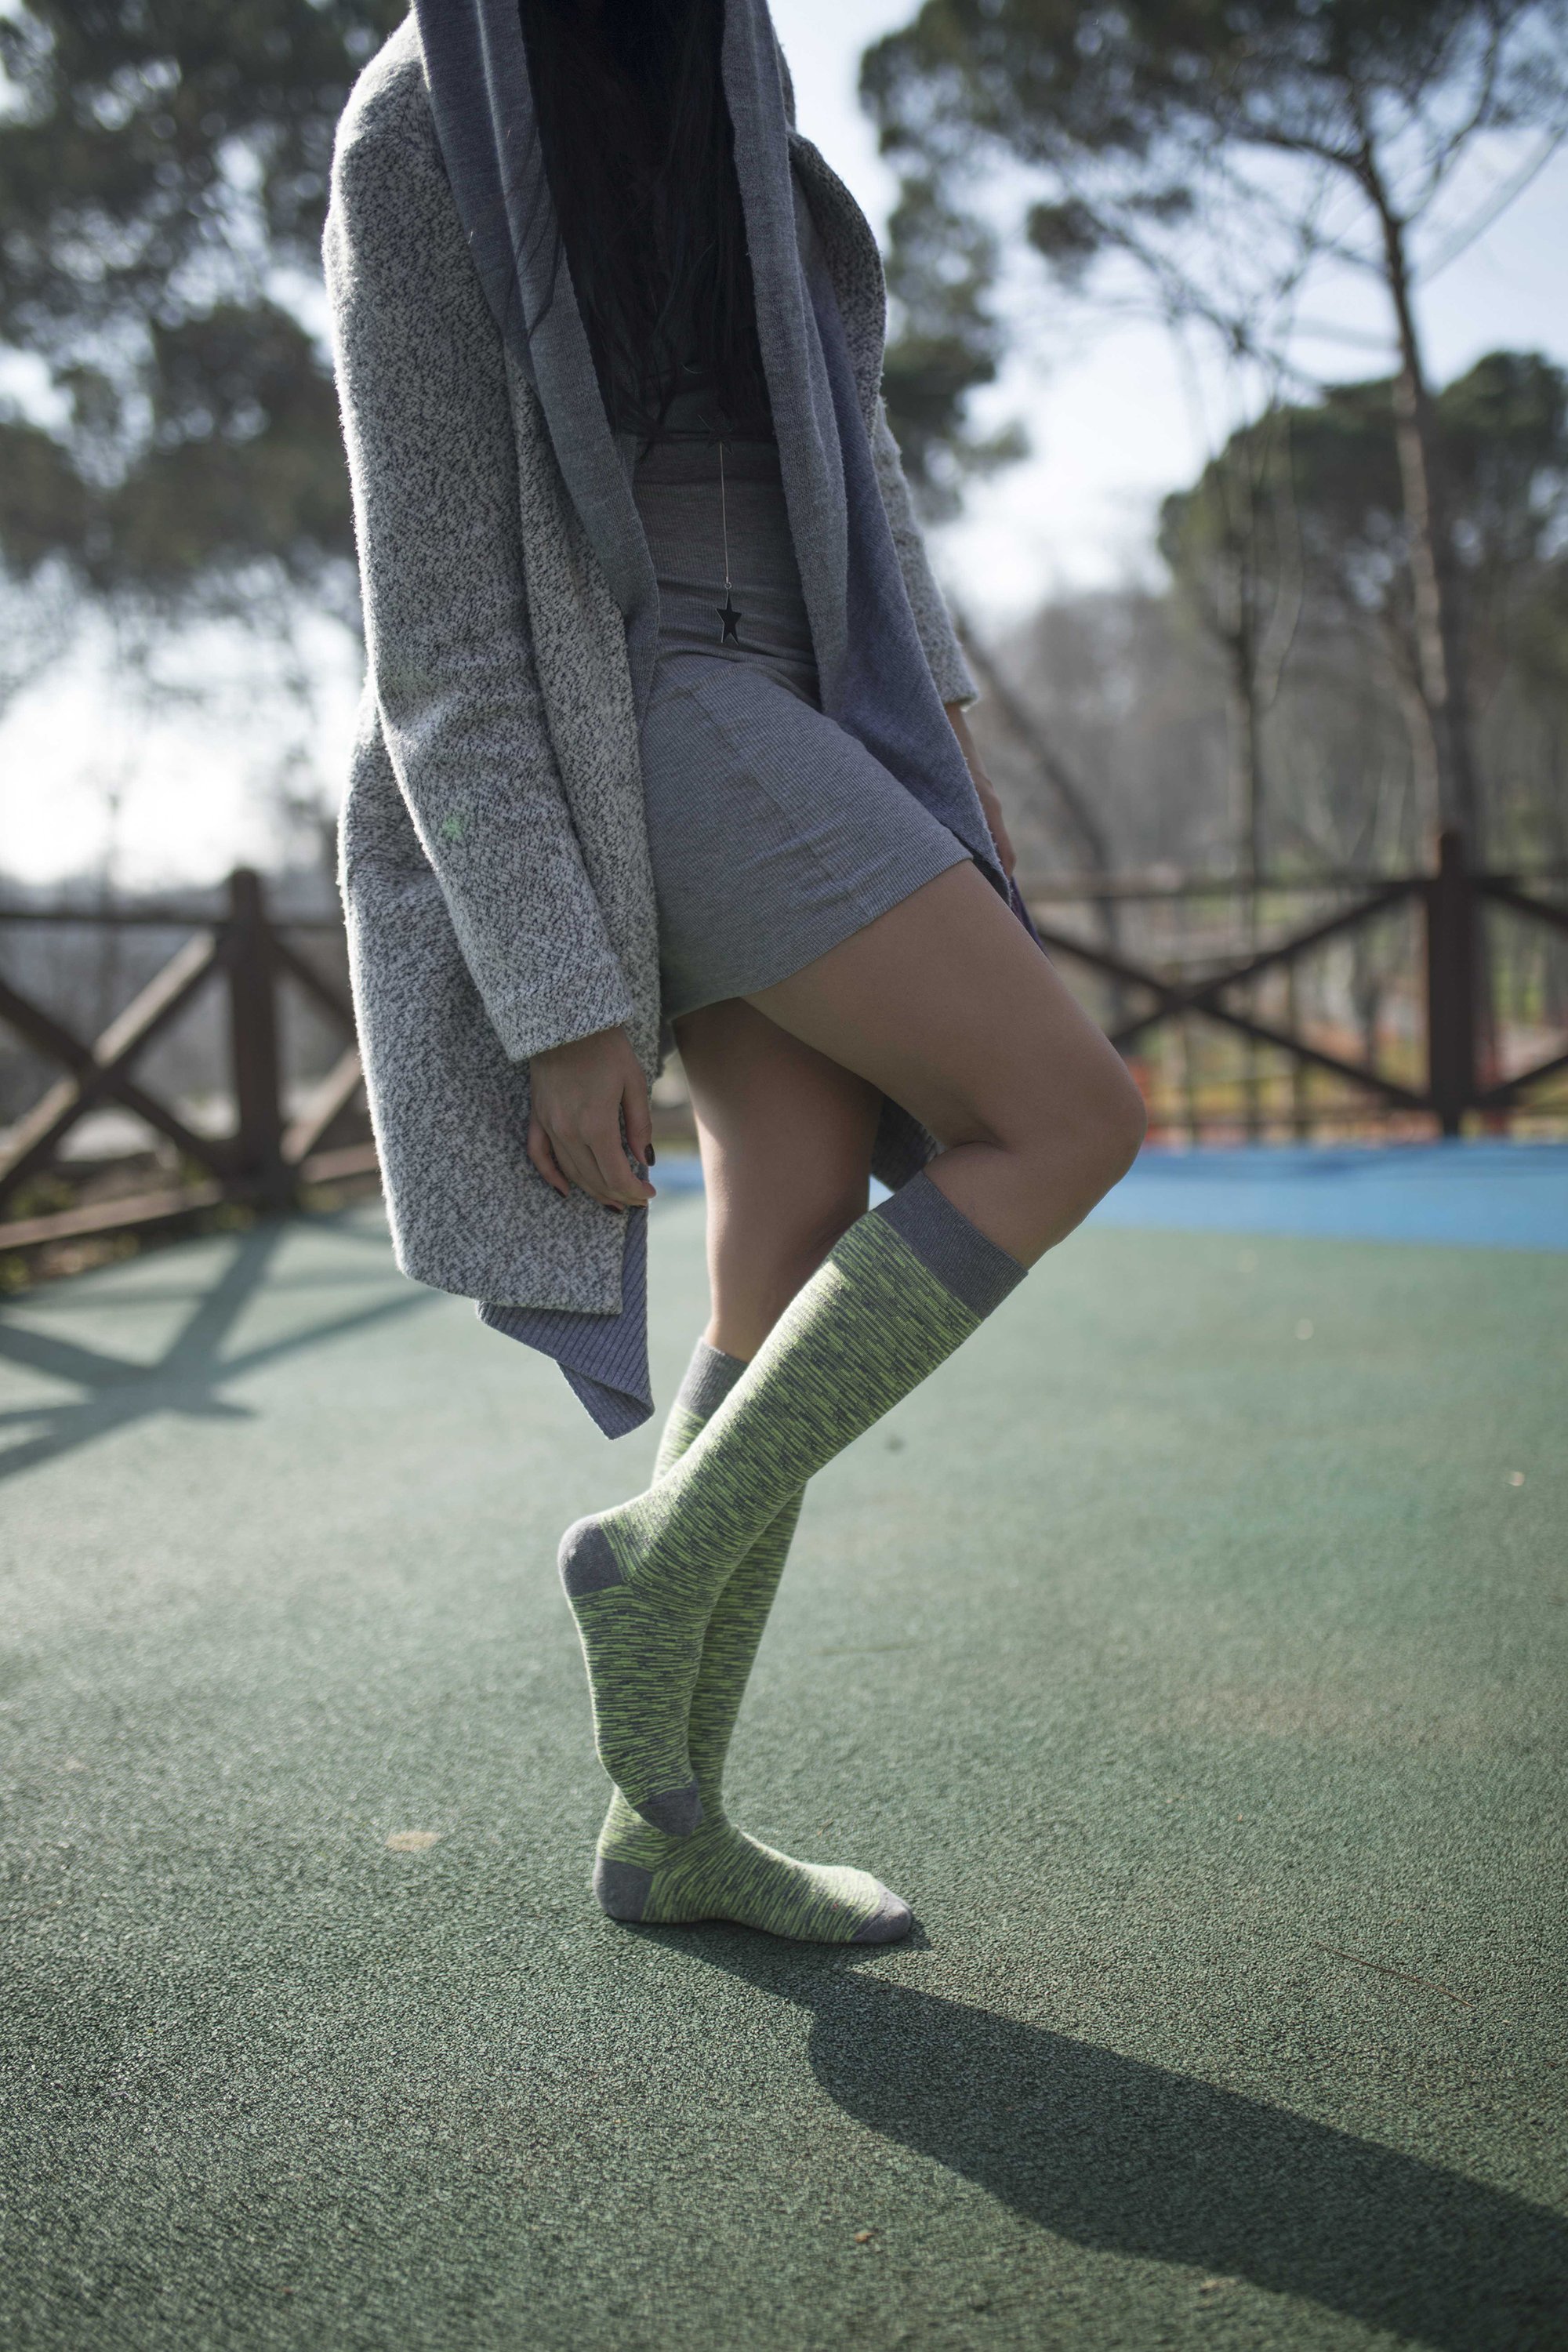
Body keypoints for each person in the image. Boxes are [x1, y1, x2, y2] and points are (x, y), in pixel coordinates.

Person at [325, 0, 1145, 1946]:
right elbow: (433, 614)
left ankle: (667, 1822)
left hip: (808, 698)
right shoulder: (418, 120)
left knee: (778, 1236)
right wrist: (556, 997)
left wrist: (940, 729)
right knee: (1064, 1117)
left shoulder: (716, 61)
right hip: (643, 717)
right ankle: (662, 1556)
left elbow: (841, 434)